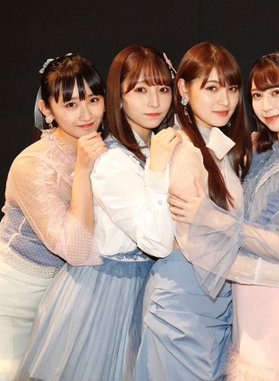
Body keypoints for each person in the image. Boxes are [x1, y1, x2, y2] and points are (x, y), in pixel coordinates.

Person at [136, 42, 279, 381]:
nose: (224, 100)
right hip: (183, 306)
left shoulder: (217, 144)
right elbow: (200, 251)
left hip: (219, 304)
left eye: (231, 89)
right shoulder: (182, 150)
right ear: (183, 89)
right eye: (211, 88)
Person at [14, 46, 178, 380]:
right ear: (119, 97)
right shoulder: (112, 160)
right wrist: (158, 171)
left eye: (163, 89)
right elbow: (159, 242)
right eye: (141, 90)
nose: (154, 102)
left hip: (145, 289)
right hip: (103, 295)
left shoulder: (154, 148)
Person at [169, 51, 279, 380]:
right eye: (258, 95)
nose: (266, 106)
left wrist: (210, 217)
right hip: (246, 307)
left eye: (277, 93)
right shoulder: (256, 147)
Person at [0, 54, 106, 381]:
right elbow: (75, 250)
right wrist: (84, 171)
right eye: (70, 104)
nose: (86, 113)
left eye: (93, 99)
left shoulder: (104, 151)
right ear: (47, 110)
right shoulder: (34, 165)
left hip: (51, 303)